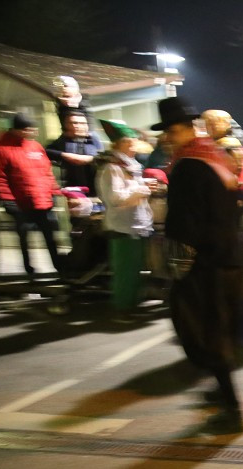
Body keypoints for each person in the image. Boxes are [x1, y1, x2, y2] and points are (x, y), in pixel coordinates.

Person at [157, 96, 243, 434]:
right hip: (230, 259)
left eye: (171, 131)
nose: (168, 138)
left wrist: (179, 270)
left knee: (205, 334)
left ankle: (233, 409)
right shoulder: (216, 158)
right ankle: (219, 393)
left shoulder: (186, 167)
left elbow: (185, 224)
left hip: (204, 267)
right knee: (220, 332)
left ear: (180, 130)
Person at [95, 120, 153, 322]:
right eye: (131, 143)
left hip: (136, 225)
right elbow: (115, 198)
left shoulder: (130, 167)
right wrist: (141, 191)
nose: (135, 146)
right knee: (125, 273)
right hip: (122, 227)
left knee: (133, 271)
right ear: (121, 144)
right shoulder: (112, 168)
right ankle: (122, 310)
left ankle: (131, 306)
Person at [0, 114, 63, 278]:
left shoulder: (35, 147)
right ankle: (29, 269)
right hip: (21, 203)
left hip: (42, 201)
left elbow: (47, 172)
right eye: (29, 129)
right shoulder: (1, 149)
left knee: (50, 236)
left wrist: (52, 192)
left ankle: (59, 268)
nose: (34, 132)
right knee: (24, 237)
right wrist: (8, 200)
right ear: (18, 130)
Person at [46, 110, 102, 192]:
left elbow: (101, 157)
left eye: (83, 123)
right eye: (74, 123)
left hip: (97, 190)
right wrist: (65, 155)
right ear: (66, 125)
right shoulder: (62, 142)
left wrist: (91, 159)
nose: (78, 126)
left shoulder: (93, 139)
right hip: (74, 191)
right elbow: (47, 152)